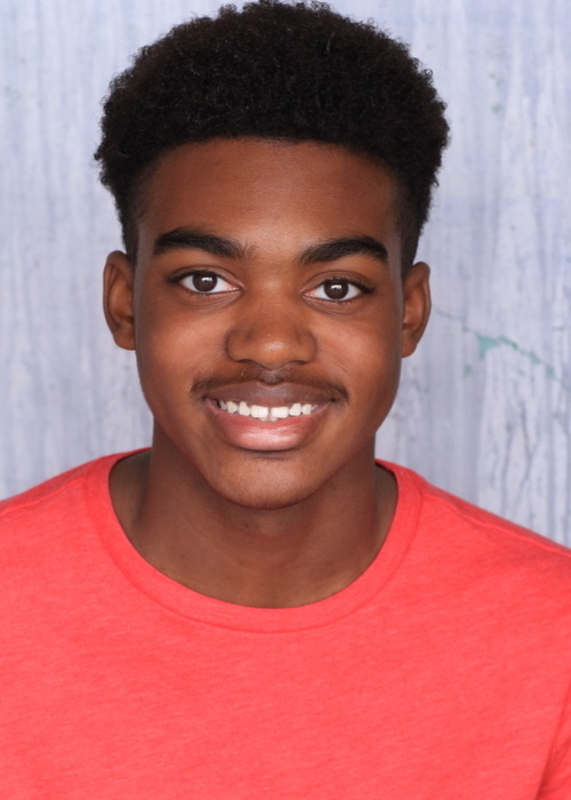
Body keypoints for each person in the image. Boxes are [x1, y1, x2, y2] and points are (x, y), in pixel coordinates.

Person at [1, 1, 570, 796]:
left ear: (408, 314)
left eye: (336, 287)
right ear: (124, 304)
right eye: (205, 280)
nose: (270, 345)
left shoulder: (551, 637)